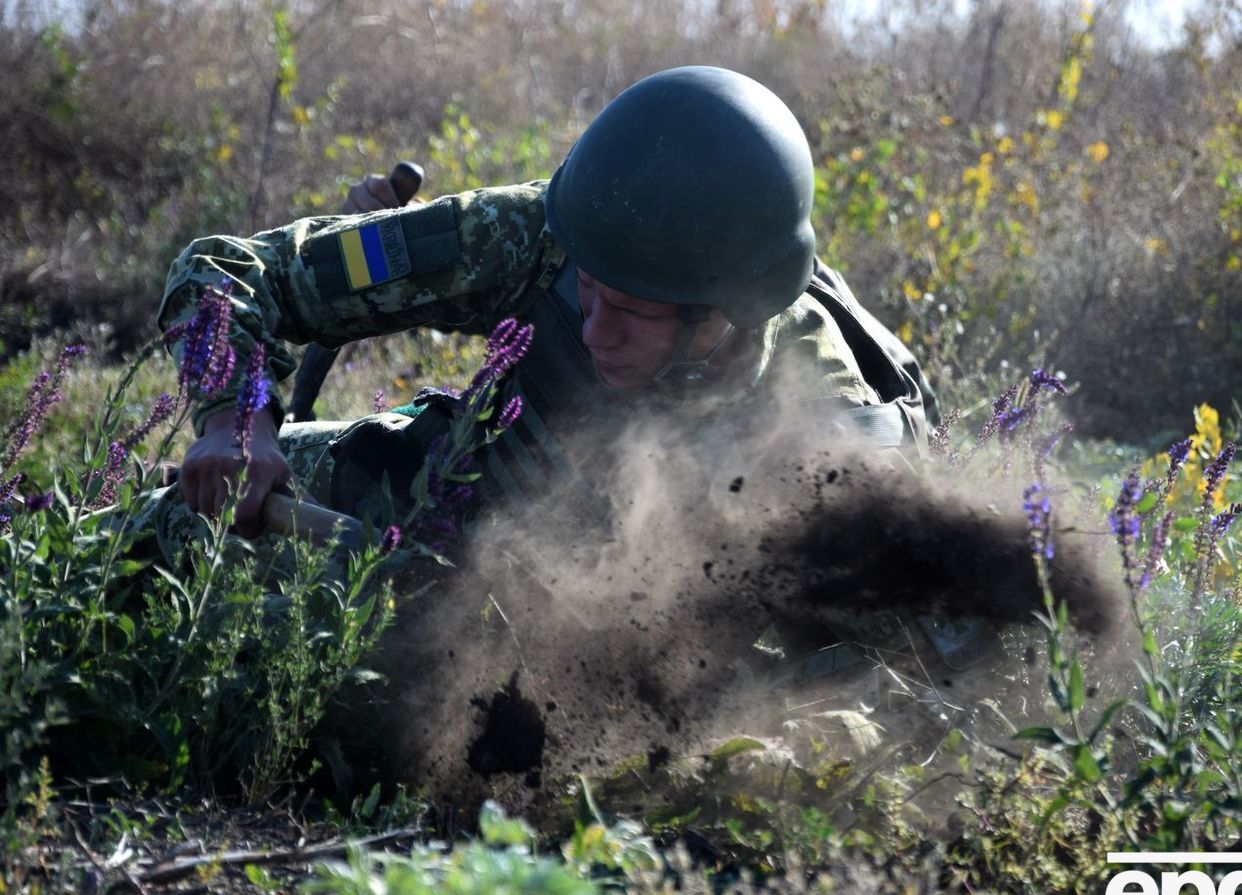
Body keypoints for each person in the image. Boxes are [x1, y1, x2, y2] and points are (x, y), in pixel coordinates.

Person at [153, 65, 935, 570]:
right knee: (158, 538)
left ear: (726, 314)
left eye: (633, 311)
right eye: (589, 292)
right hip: (448, 499)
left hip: (573, 635)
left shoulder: (828, 430)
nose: (596, 330)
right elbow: (228, 270)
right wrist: (237, 420)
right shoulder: (548, 232)